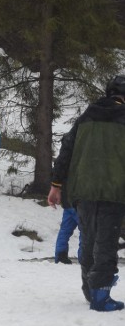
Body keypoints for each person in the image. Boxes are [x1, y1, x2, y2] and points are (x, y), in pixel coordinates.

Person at [48, 75, 125, 312]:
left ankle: (89, 289)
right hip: (114, 190)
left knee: (89, 239)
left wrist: (56, 184)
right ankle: (100, 295)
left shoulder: (85, 117)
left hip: (83, 191)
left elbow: (66, 150)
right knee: (106, 243)